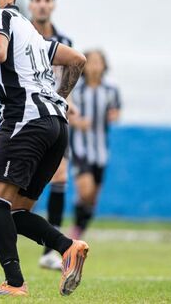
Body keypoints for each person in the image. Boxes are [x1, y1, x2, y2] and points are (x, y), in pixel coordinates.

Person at [0, 0, 88, 296]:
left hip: (25, 120)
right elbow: (77, 59)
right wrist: (59, 97)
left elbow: (0, 54)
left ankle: (15, 283)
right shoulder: (31, 32)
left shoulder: (2, 17)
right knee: (13, 212)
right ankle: (68, 247)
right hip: (56, 126)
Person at [29, 0, 76, 270]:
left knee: (60, 177)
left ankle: (49, 252)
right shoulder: (19, 34)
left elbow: (70, 77)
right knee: (19, 189)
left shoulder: (65, 42)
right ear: (31, 4)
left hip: (55, 119)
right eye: (38, 0)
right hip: (26, 118)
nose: (43, 4)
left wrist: (65, 102)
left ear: (53, 4)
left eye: (48, 0)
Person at [68, 49, 121, 239]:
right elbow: (66, 112)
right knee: (85, 190)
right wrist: (77, 122)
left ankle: (77, 231)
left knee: (92, 198)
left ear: (104, 65)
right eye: (91, 62)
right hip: (81, 147)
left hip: (100, 150)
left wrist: (114, 116)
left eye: (98, 62)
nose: (95, 66)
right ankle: (74, 232)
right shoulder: (76, 90)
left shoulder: (111, 90)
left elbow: (116, 112)